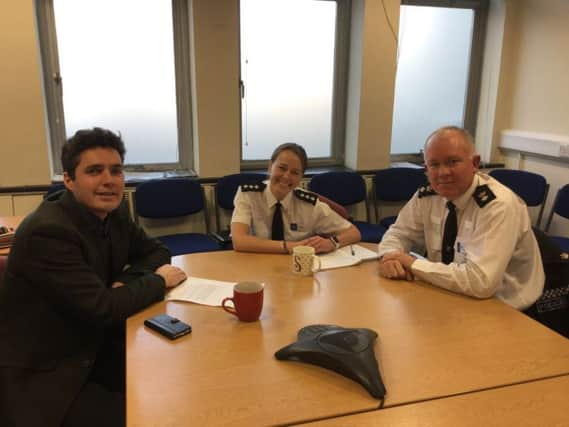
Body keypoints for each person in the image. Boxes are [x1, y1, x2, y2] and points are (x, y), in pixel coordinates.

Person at [0, 128, 187, 427]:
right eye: (94, 171)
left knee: (180, 386)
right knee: (152, 415)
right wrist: (158, 281)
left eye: (116, 170)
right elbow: (103, 309)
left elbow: (156, 252)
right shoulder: (48, 231)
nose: (108, 180)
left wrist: (125, 285)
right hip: (50, 371)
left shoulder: (114, 211)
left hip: (96, 342)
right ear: (69, 179)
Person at [377, 126, 544, 310]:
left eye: (452, 162)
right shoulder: (427, 197)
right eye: (434, 165)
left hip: (505, 306)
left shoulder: (498, 205)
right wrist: (389, 258)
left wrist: (412, 264)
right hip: (451, 294)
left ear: (475, 163)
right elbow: (398, 233)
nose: (443, 173)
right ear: (426, 169)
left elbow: (481, 282)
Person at [231, 142, 361, 254]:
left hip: (295, 268)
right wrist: (289, 246)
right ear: (270, 166)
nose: (286, 176)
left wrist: (332, 243)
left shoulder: (310, 205)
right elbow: (239, 241)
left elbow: (354, 233)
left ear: (301, 178)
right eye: (282, 168)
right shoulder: (248, 194)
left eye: (295, 172)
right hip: (255, 265)